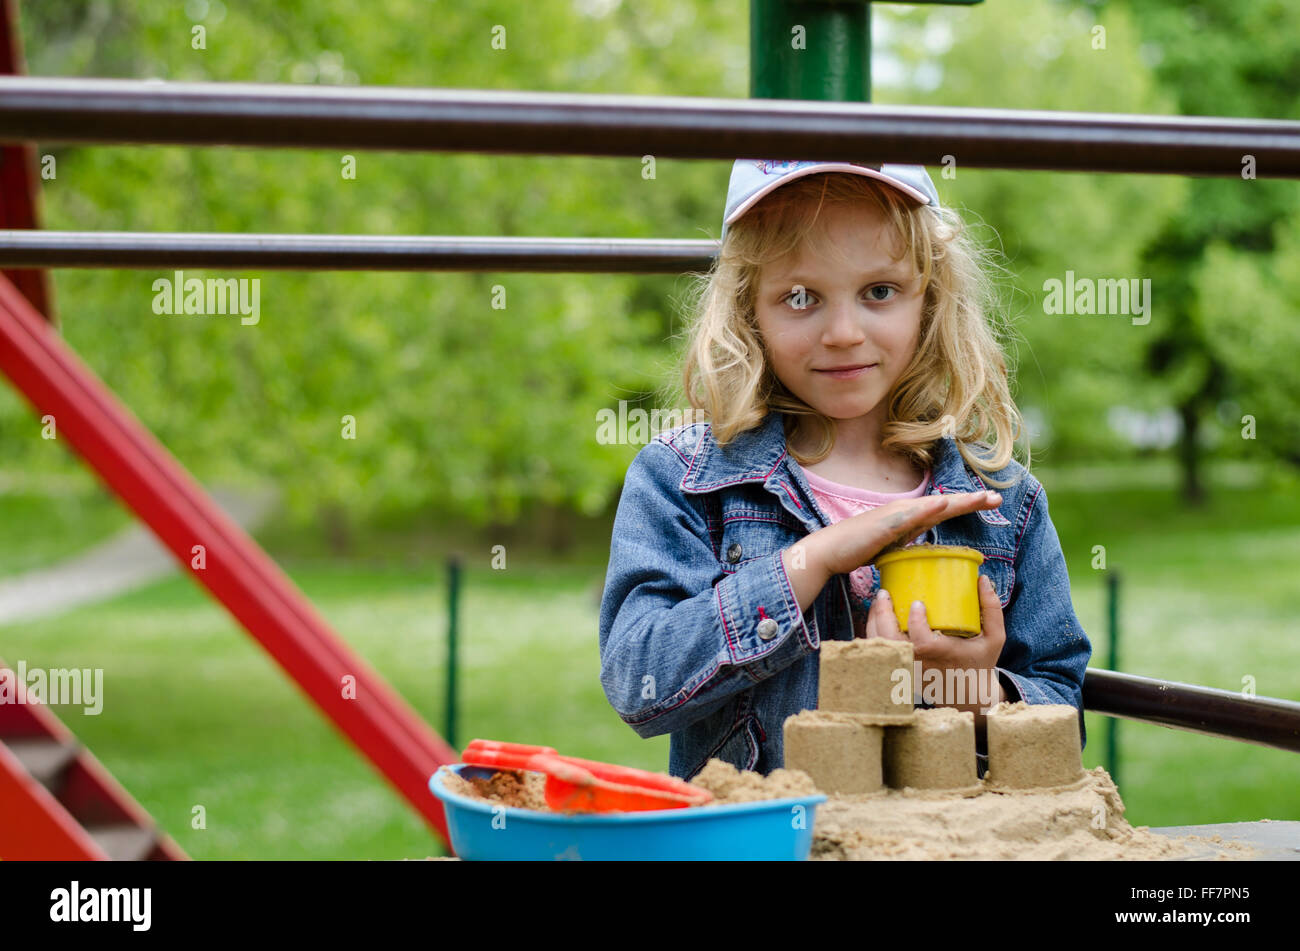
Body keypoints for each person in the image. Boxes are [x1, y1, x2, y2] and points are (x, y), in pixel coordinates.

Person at [598, 158, 1091, 781]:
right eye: (800, 297)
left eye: (879, 292)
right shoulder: (684, 481)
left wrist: (974, 693)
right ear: (749, 310)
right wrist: (814, 559)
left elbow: (1063, 712)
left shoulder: (1003, 501)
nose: (843, 332)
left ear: (929, 299)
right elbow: (639, 683)